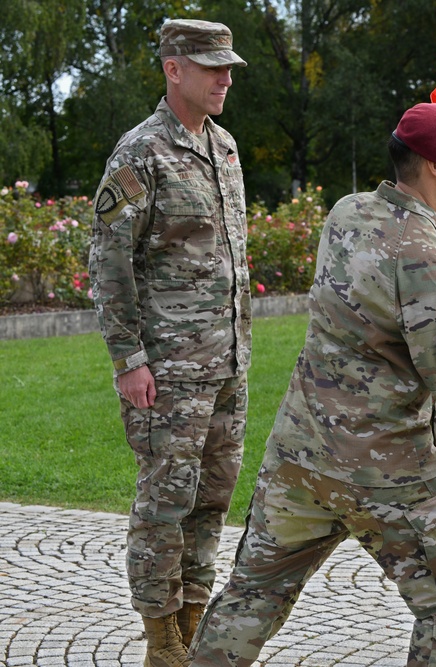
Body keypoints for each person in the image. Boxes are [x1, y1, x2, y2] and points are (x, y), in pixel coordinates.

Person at [188, 103, 436, 667]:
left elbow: (403, 252)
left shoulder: (349, 213)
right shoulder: (430, 260)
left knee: (252, 596)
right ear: (435, 167)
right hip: (385, 468)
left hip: (301, 455)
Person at [88, 19, 250, 667]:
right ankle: (161, 640)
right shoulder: (140, 153)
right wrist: (129, 359)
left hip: (228, 363)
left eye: (228, 65)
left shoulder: (226, 146)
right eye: (212, 66)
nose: (225, 77)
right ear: (173, 68)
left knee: (212, 497)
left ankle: (190, 623)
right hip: (168, 369)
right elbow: (108, 262)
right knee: (164, 500)